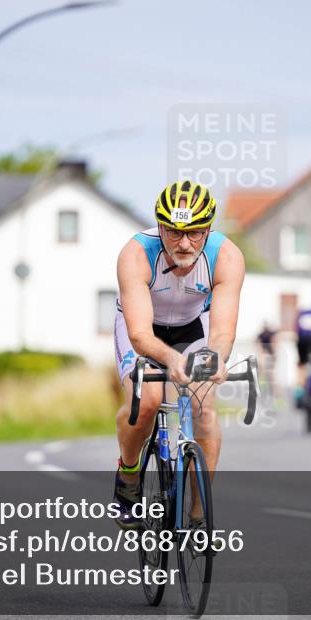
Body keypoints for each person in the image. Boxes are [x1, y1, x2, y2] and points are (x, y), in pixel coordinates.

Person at [112, 180, 246, 529]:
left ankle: (199, 515)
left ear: (209, 230)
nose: (185, 243)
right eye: (174, 233)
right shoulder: (136, 253)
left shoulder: (227, 256)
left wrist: (214, 357)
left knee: (204, 407)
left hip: (191, 327)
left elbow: (221, 332)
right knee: (148, 400)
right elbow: (140, 334)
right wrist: (171, 360)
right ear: (159, 228)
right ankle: (128, 474)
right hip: (144, 329)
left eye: (195, 233)